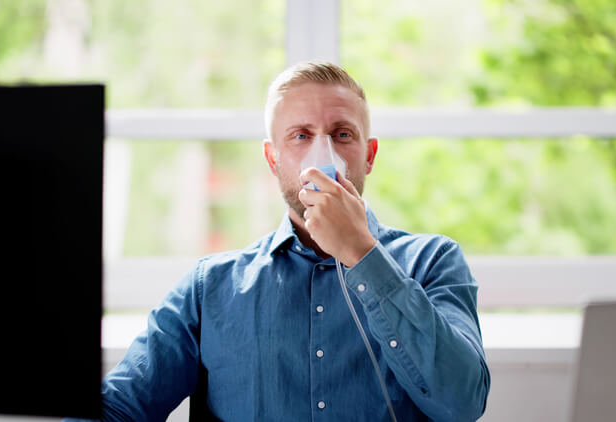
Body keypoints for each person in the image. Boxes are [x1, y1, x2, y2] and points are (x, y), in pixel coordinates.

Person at [99, 61, 490, 421]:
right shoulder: (211, 288)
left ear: (369, 155)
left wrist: (363, 255)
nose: (324, 155)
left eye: (342, 134)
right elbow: (119, 406)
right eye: (301, 136)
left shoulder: (432, 261)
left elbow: (463, 403)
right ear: (272, 159)